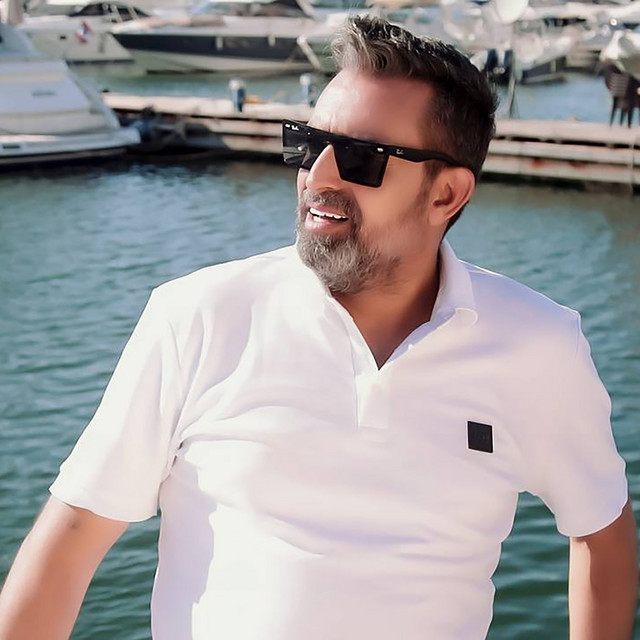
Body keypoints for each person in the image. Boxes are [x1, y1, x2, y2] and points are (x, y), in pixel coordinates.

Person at [0, 16, 637, 640]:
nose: (318, 176)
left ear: (446, 194)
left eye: (361, 157)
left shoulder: (538, 344)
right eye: (308, 144)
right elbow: (74, 533)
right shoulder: (196, 316)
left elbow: (600, 531)